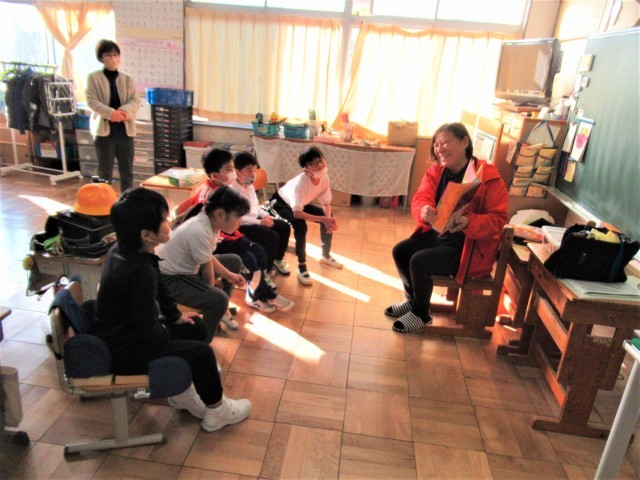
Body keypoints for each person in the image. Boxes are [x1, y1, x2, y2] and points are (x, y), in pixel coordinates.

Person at [95, 188, 250, 432]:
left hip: (129, 333)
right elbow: (147, 328)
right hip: (128, 350)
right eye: (164, 221)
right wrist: (168, 333)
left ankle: (183, 395)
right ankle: (217, 410)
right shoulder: (139, 270)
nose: (170, 224)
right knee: (202, 353)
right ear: (147, 235)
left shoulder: (131, 250)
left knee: (195, 326)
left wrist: (175, 317)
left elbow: (159, 290)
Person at [386, 122, 508, 333]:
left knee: (420, 261)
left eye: (445, 143)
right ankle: (412, 301)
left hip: (467, 250)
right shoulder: (436, 172)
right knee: (401, 251)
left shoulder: (488, 177)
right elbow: (420, 198)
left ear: (465, 142)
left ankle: (421, 314)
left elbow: (498, 220)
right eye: (436, 144)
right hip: (438, 236)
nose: (439, 149)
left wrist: (469, 222)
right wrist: (423, 210)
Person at [176, 149, 294, 313]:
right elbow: (213, 229)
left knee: (258, 251)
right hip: (216, 241)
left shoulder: (224, 189)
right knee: (249, 258)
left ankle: (257, 293)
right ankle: (261, 295)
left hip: (226, 234)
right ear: (215, 175)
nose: (234, 173)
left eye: (233, 167)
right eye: (229, 169)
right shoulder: (211, 195)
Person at [157, 187, 249, 341]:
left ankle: (220, 313)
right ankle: (203, 342)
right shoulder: (199, 230)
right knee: (218, 299)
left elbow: (207, 257)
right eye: (237, 216)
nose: (240, 222)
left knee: (234, 262)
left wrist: (229, 275)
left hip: (188, 271)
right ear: (219, 214)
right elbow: (207, 270)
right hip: (171, 279)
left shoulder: (211, 224)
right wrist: (211, 295)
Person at [269, 146, 342, 286]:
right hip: (281, 203)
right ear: (306, 169)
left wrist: (327, 220)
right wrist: (324, 219)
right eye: (313, 164)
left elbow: (326, 204)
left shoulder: (324, 177)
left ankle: (325, 255)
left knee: (328, 215)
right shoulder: (301, 182)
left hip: (299, 203)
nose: (319, 165)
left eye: (320, 160)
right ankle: (302, 266)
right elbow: (297, 214)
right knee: (300, 225)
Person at [85, 39, 140, 193]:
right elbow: (91, 101)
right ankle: (103, 200)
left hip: (125, 131)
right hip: (104, 132)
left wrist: (123, 112)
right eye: (108, 55)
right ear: (101, 57)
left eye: (116, 55)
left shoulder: (127, 79)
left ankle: (127, 200)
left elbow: (135, 100)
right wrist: (110, 113)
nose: (113, 58)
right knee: (104, 171)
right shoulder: (93, 77)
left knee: (127, 170)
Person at [230, 151, 292, 277]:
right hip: (242, 226)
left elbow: (255, 207)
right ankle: (265, 272)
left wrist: (265, 215)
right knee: (272, 237)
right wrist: (260, 222)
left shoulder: (249, 186)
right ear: (237, 171)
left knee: (284, 226)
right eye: (249, 171)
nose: (253, 175)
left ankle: (277, 259)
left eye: (254, 171)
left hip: (255, 219)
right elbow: (238, 219)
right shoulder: (231, 191)